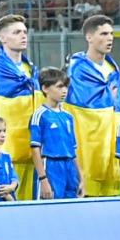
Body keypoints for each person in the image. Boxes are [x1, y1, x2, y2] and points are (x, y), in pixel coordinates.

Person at [66, 15, 120, 199]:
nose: (109, 38)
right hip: (87, 145)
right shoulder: (77, 70)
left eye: (111, 34)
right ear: (89, 37)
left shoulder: (113, 70)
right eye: (103, 34)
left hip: (110, 144)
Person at [0, 14, 41, 181]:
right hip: (8, 149)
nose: (23, 36)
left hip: (32, 146)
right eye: (16, 32)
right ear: (3, 38)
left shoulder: (31, 69)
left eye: (24, 32)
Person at [32, 69, 81, 202]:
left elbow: (73, 150)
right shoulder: (40, 115)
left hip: (69, 167)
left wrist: (81, 178)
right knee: (48, 212)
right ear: (45, 88)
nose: (64, 90)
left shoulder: (68, 117)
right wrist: (43, 179)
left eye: (66, 86)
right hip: (51, 166)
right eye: (59, 86)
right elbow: (35, 150)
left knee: (71, 210)